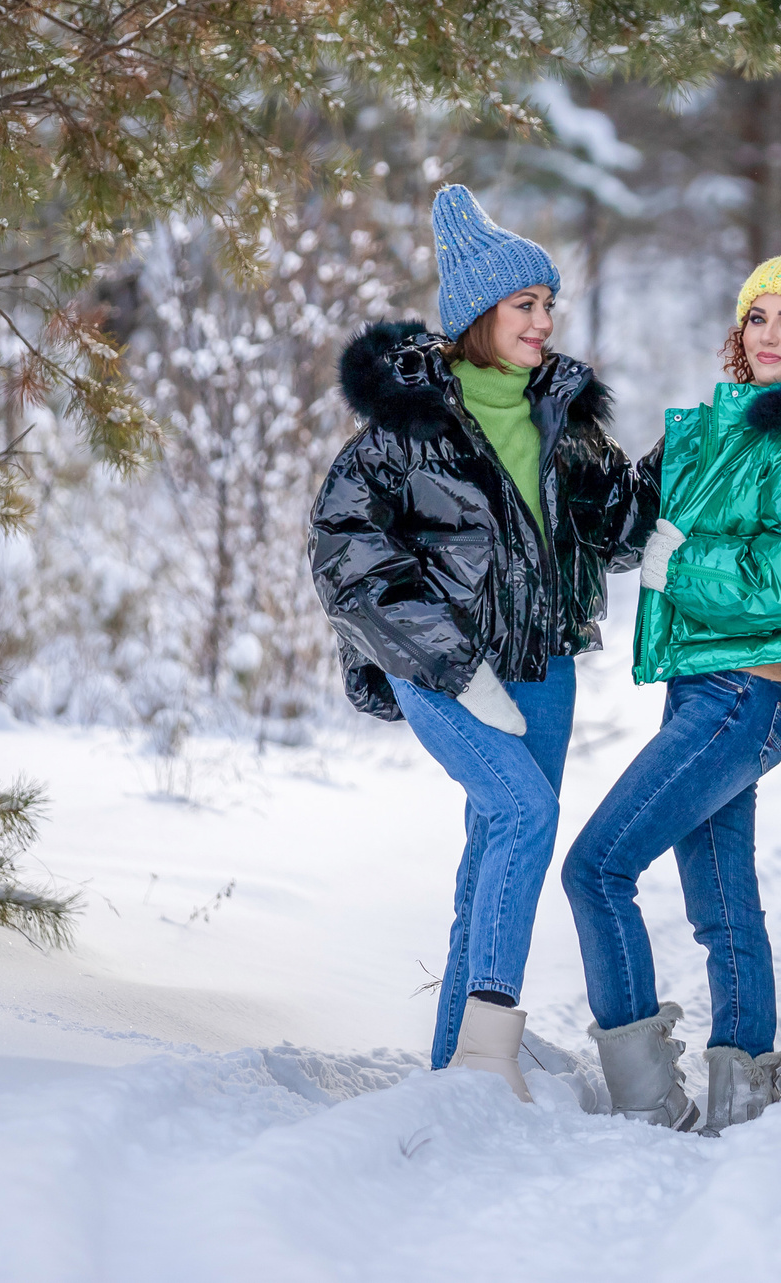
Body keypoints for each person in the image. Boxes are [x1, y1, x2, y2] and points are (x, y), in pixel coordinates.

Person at [311, 185, 654, 1102]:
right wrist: (449, 665)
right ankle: (488, 1054)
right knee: (525, 816)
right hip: (445, 668)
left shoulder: (559, 414)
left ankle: (454, 1061)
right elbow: (345, 551)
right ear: (477, 316)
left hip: (541, 667)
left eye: (548, 305)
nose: (544, 321)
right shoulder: (407, 428)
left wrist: (686, 455)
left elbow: (616, 532)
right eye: (524, 305)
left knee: (497, 845)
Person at [562, 238, 781, 1133]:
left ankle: (643, 1096)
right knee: (722, 905)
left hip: (746, 694)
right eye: (759, 315)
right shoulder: (731, 421)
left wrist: (680, 565)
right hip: (713, 689)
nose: (772, 334)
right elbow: (634, 517)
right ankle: (745, 1101)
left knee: (597, 868)